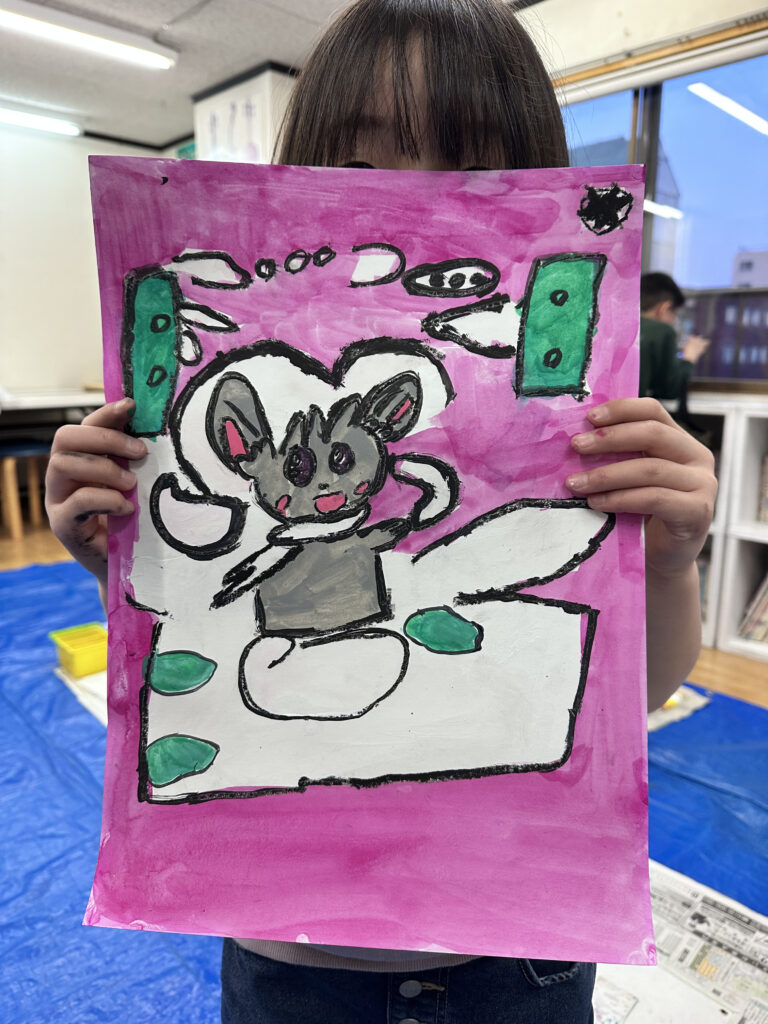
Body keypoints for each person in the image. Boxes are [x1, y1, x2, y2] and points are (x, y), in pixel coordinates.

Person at [45, 1, 718, 1020]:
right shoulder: (217, 373)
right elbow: (196, 640)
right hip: (290, 947)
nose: (413, 205)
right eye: (362, 167)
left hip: (514, 946)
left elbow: (633, 690)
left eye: (472, 172)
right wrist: (114, 547)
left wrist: (667, 561)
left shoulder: (578, 413)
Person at [639, 271, 710, 401]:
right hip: (629, 412)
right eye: (674, 314)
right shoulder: (662, 330)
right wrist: (689, 357)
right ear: (664, 308)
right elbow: (669, 390)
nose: (673, 321)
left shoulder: (615, 325)